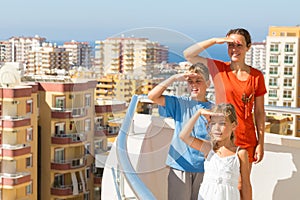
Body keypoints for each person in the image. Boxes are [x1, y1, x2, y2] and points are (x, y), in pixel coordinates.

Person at [183, 28, 267, 169]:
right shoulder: (219, 69)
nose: (234, 49)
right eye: (230, 45)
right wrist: (215, 40)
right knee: (222, 180)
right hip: (221, 136)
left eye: (239, 45)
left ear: (248, 47)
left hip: (246, 138)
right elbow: (188, 54)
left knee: (242, 185)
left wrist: (261, 143)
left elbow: (259, 113)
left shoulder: (257, 76)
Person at [148, 63, 213, 200]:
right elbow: (152, 96)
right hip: (179, 167)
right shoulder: (179, 103)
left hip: (205, 168)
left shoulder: (214, 109)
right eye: (190, 81)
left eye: (198, 81)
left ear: (207, 83)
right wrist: (174, 78)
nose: (194, 85)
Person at [179, 103, 252, 200]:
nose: (217, 128)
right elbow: (184, 136)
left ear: (233, 125)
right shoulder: (209, 148)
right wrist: (198, 113)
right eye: (213, 123)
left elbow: (246, 185)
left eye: (222, 123)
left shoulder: (240, 153)